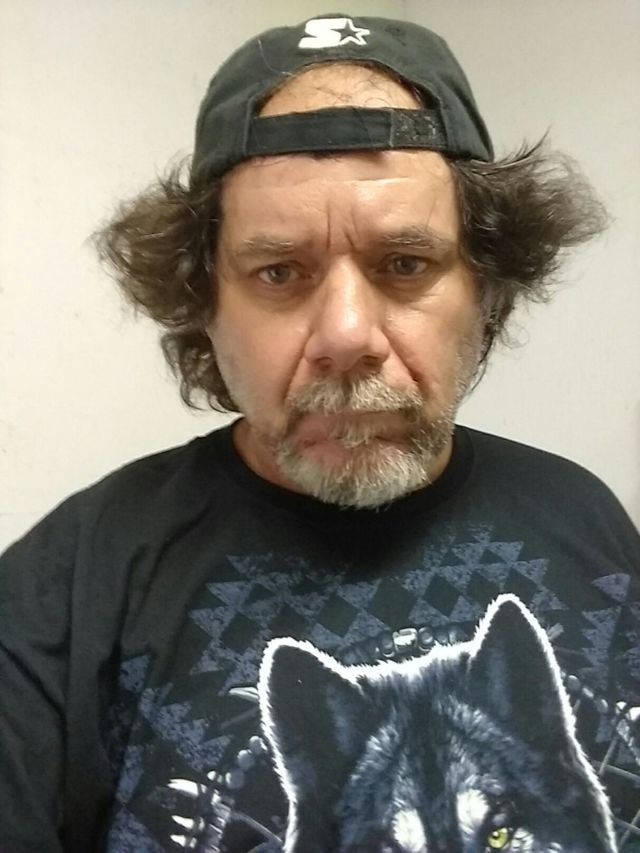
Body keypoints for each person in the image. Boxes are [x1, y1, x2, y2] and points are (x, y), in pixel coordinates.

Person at [1, 12, 638, 853]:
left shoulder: (586, 520)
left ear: (485, 289)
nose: (345, 334)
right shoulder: (66, 590)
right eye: (279, 271)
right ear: (203, 303)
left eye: (405, 264)